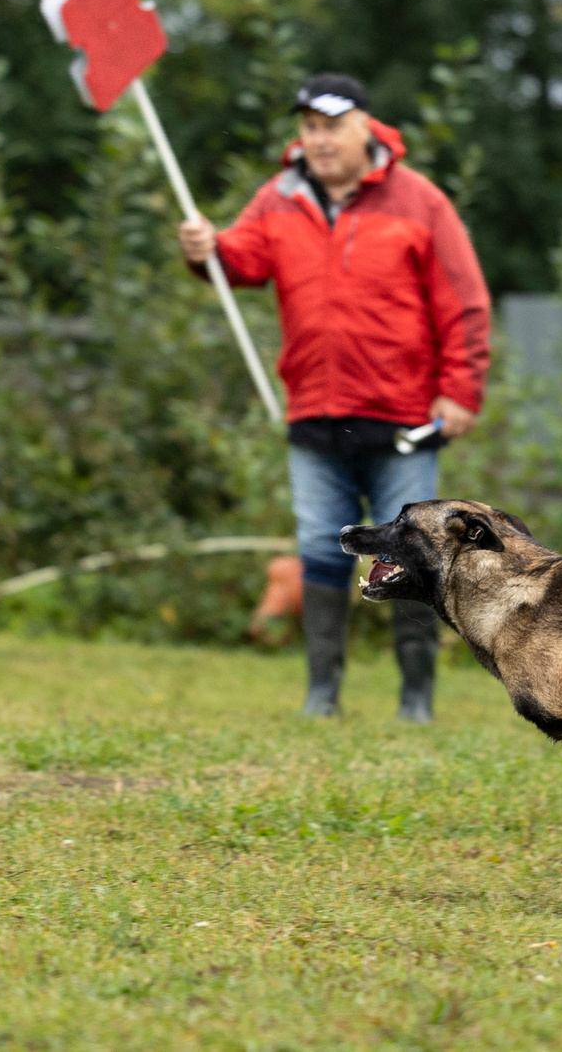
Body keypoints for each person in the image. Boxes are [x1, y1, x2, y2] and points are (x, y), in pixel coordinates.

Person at [179, 72, 492, 720]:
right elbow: (241, 260)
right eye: (310, 128)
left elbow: (463, 301)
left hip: (403, 415)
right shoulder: (280, 196)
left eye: (331, 127)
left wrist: (460, 390)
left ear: (365, 128)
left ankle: (416, 700)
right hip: (315, 414)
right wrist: (207, 249)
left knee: (413, 552)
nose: (319, 141)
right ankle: (322, 694)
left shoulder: (419, 201)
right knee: (320, 546)